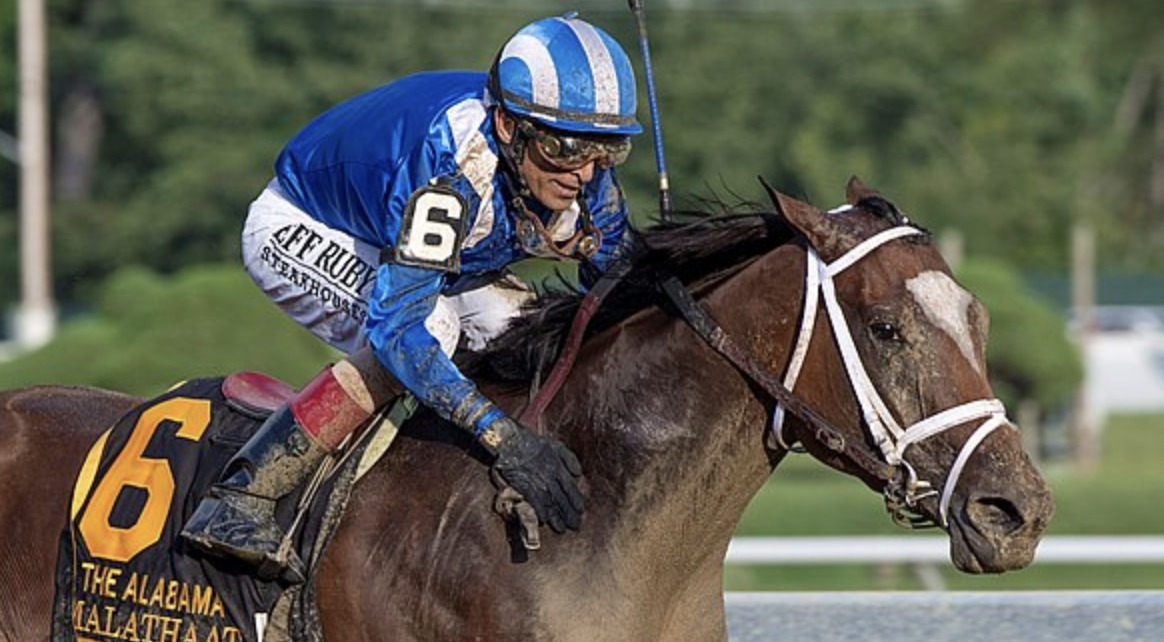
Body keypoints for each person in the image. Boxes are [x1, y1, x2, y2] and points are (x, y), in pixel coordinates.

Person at [180, 13, 642, 580]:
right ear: (506, 126)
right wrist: (502, 437)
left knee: (523, 327)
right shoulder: (452, 167)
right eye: (563, 148)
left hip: (432, 256)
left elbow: (620, 281)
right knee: (433, 333)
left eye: (607, 150)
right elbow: (398, 332)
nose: (582, 172)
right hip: (304, 223)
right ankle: (243, 495)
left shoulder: (583, 173)